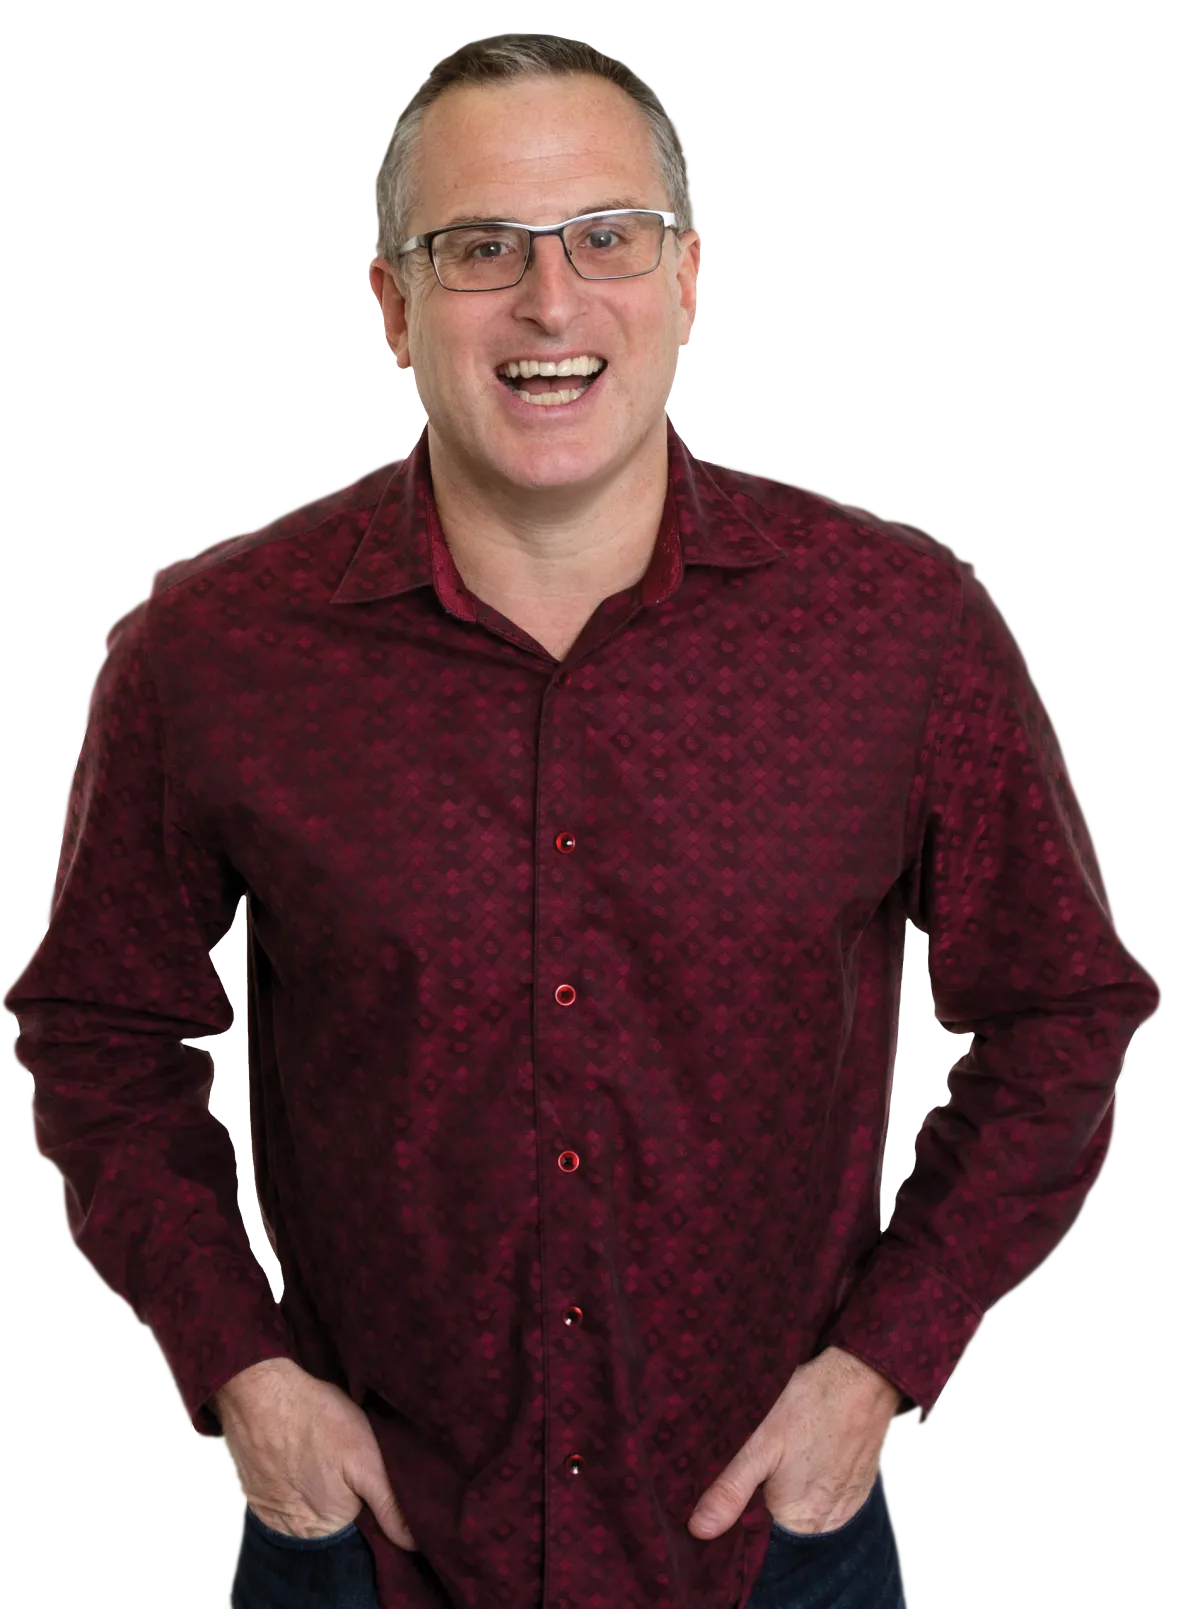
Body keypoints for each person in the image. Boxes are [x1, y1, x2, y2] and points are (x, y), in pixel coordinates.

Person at [1, 30, 1163, 1609]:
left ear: (688, 279)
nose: (551, 304)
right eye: (481, 248)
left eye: (607, 237)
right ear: (393, 306)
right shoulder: (213, 649)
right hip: (367, 1550)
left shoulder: (903, 632)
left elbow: (1064, 1009)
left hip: (777, 1550)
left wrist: (887, 1360)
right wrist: (242, 1371)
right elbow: (96, 1030)